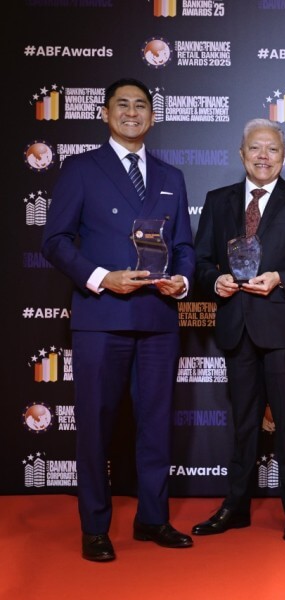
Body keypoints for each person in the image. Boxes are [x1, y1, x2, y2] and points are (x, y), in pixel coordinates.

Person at [41, 78, 195, 562]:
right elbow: (55, 241)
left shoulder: (171, 176)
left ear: (153, 115)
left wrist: (183, 283)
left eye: (142, 105)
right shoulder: (80, 169)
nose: (133, 112)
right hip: (101, 318)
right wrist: (102, 277)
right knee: (95, 425)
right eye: (122, 105)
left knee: (155, 425)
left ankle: (153, 519)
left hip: (157, 319)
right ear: (105, 114)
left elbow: (186, 248)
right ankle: (94, 526)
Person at [192, 118, 285, 542]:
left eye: (272, 149)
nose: (263, 156)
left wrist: (282, 277)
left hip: (281, 327)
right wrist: (213, 280)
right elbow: (200, 261)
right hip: (236, 326)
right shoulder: (218, 200)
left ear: (284, 156)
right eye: (255, 149)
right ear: (241, 154)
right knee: (242, 424)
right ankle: (235, 507)